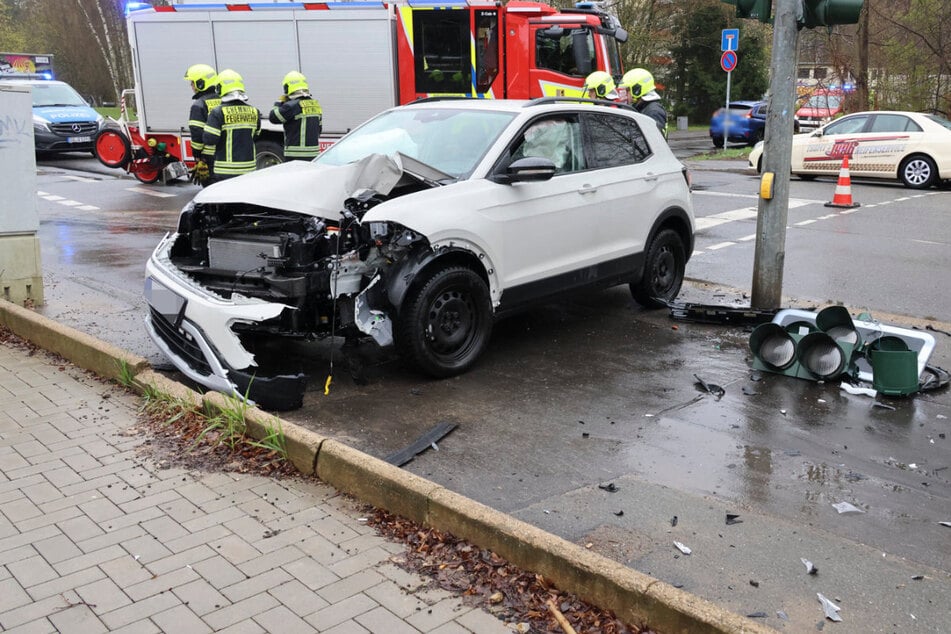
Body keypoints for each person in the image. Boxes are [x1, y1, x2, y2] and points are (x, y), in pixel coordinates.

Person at [201, 69, 261, 182]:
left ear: (219, 88)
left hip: (225, 171)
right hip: (249, 169)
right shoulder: (254, 111)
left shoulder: (217, 112)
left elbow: (210, 139)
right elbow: (255, 135)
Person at [268, 71, 323, 161]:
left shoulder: (290, 106)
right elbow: (319, 130)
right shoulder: (316, 105)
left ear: (287, 87)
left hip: (295, 155)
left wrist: (278, 102)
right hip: (314, 154)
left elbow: (273, 117)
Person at [183, 63, 220, 184]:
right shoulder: (223, 99)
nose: (191, 86)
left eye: (192, 82)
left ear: (201, 83)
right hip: (224, 154)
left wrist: (197, 156)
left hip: (208, 156)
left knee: (210, 190)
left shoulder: (198, 105)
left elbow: (197, 133)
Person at [619, 68, 667, 137]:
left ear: (636, 90)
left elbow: (653, 140)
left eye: (627, 90)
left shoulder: (653, 111)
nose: (625, 94)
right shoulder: (642, 107)